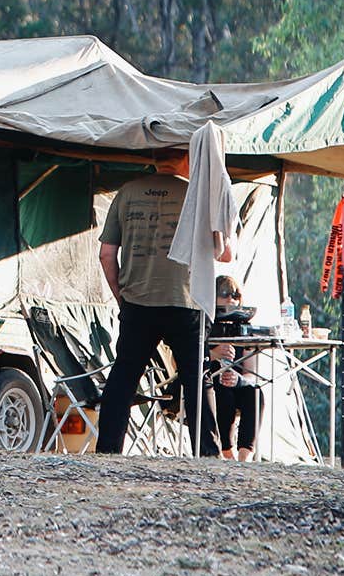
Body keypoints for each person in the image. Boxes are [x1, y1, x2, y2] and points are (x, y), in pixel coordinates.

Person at [95, 157, 224, 455]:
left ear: (154, 158)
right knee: (197, 378)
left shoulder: (127, 192)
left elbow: (106, 254)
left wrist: (121, 296)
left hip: (138, 301)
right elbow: (224, 252)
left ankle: (107, 452)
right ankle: (209, 454)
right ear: (186, 157)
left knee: (124, 375)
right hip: (187, 301)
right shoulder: (198, 196)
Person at [207, 274, 261, 461]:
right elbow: (182, 359)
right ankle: (226, 450)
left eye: (235, 295)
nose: (231, 298)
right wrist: (213, 354)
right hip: (209, 383)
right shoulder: (204, 324)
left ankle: (245, 455)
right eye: (224, 293)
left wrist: (240, 380)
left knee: (255, 392)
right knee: (222, 393)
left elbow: (252, 373)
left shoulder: (244, 328)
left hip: (236, 383)